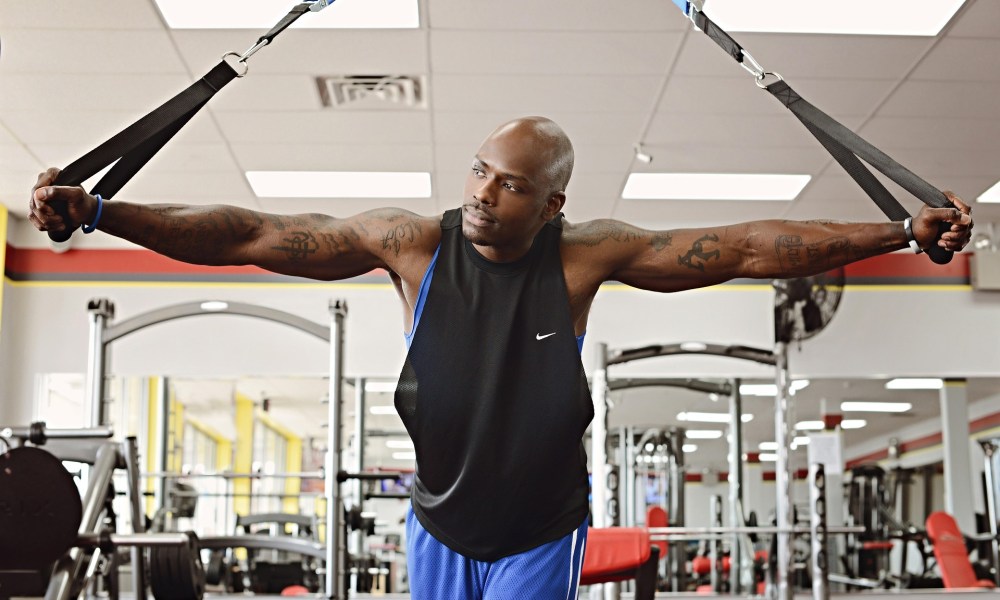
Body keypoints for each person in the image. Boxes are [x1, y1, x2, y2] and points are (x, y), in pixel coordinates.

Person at [29, 116, 973, 599]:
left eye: (512, 184)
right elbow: (254, 233)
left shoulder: (584, 257)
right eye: (480, 169)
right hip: (437, 523)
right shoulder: (411, 246)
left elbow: (746, 246)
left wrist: (893, 228)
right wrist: (107, 211)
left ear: (551, 204)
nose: (483, 193)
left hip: (537, 528)